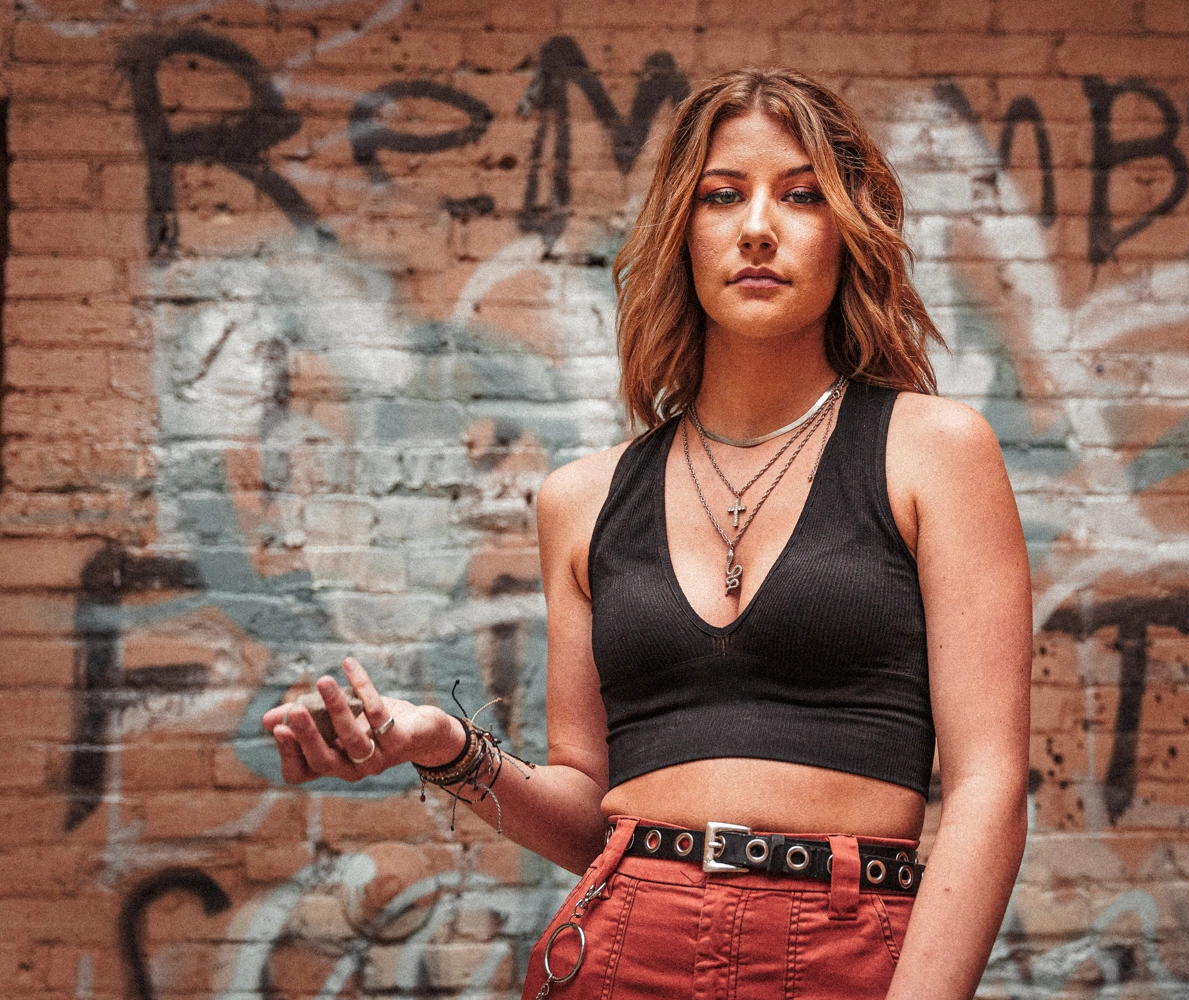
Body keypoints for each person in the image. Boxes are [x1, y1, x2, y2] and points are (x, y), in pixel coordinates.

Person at [263, 67, 1031, 1000]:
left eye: (800, 195)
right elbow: (589, 811)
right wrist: (439, 746)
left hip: (845, 952)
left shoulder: (932, 451)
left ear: (846, 232)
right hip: (619, 949)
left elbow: (989, 781)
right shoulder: (582, 500)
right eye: (721, 195)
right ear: (683, 233)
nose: (758, 225)